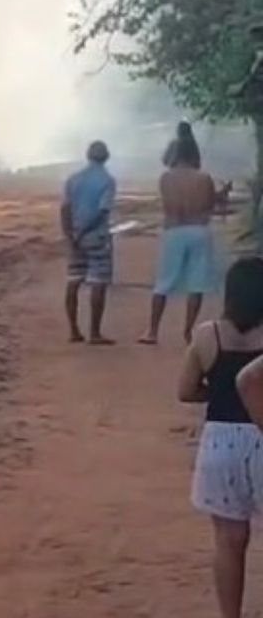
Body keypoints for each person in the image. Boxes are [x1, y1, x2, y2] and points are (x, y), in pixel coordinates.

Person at [182, 257, 263, 618]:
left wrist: (216, 393)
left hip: (220, 441)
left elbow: (185, 390)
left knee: (229, 542)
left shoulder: (206, 334)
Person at [143, 135, 222, 344]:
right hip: (199, 230)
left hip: (175, 230)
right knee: (197, 284)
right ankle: (187, 332)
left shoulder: (166, 178)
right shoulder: (204, 178)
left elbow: (169, 206)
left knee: (163, 282)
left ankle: (152, 331)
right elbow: (210, 206)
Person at [61, 140, 117, 344]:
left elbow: (65, 208)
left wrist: (69, 234)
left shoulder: (73, 179)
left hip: (75, 238)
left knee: (73, 281)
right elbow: (102, 212)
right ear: (107, 157)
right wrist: (83, 231)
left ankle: (73, 330)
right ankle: (94, 333)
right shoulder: (108, 181)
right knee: (98, 283)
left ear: (87, 155)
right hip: (96, 237)